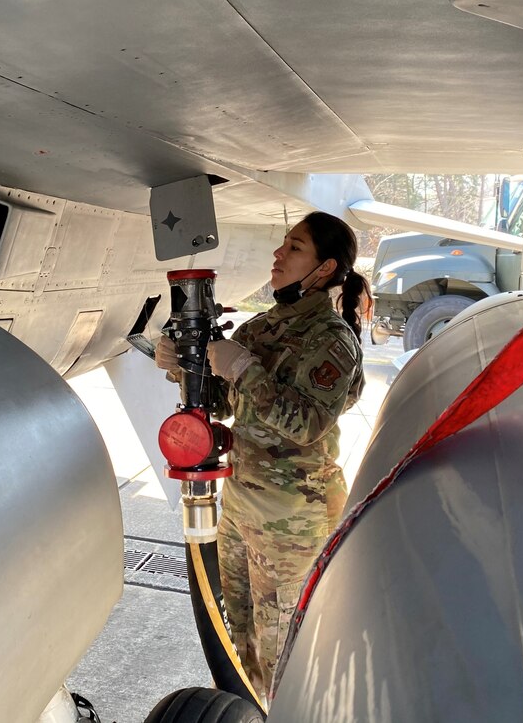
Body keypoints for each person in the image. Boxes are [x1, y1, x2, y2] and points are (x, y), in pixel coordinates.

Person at [155, 211, 371, 702]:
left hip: (292, 521)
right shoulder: (264, 328)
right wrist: (180, 367)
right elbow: (225, 404)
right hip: (241, 508)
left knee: (283, 657)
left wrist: (245, 367)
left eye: (294, 247)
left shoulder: (332, 341)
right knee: (238, 646)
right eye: (283, 244)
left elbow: (305, 424)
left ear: (323, 269)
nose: (278, 254)